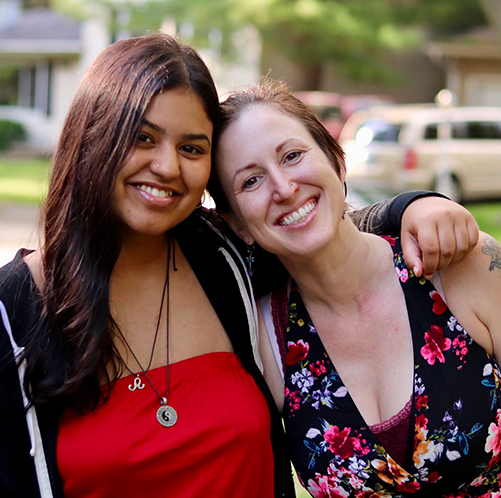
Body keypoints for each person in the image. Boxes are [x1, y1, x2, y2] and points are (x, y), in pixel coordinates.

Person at [0, 35, 477, 498]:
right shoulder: (12, 312)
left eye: (191, 148)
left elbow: (310, 222)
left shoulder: (224, 262)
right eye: (142, 137)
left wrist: (411, 208)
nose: (168, 167)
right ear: (92, 137)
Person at [211, 77, 501, 496]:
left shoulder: (458, 264)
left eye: (292, 156)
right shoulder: (265, 341)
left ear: (337, 162)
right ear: (239, 223)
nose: (284, 188)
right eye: (250, 181)